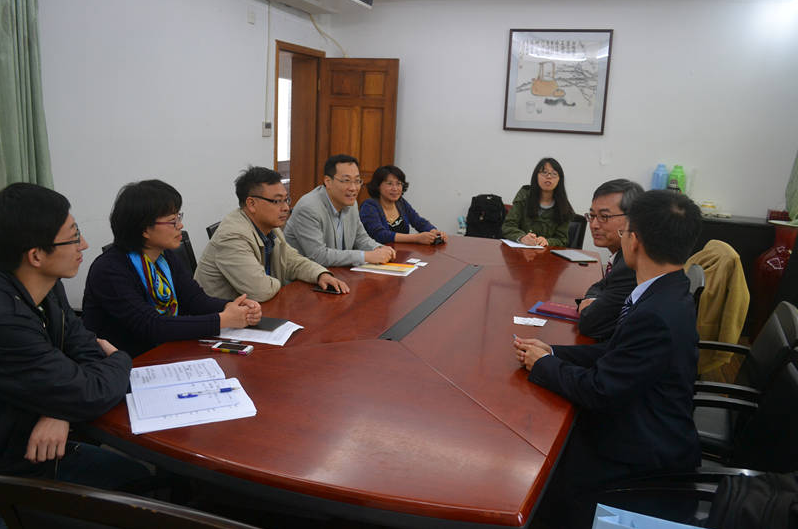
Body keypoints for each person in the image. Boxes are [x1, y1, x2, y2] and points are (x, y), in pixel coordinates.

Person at [514, 190, 702, 529]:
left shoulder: (656, 313)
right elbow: (615, 352)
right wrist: (553, 352)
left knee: (535, 476)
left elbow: (599, 390)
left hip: (640, 458)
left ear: (634, 241)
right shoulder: (668, 290)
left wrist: (544, 366)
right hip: (647, 423)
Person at [0, 183, 149, 490]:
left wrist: (60, 408)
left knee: (139, 475)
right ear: (36, 256)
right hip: (17, 468)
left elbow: (84, 347)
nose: (84, 244)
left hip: (43, 439)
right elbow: (88, 392)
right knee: (140, 483)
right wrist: (120, 359)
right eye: (73, 236)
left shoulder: (47, 286)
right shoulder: (8, 320)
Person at [83, 180, 261, 358]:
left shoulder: (164, 256)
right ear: (144, 229)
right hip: (128, 362)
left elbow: (195, 300)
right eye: (172, 221)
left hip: (167, 351)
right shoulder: (109, 270)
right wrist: (223, 319)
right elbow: (152, 325)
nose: (180, 225)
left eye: (178, 217)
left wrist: (232, 307)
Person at [195, 166, 349, 301]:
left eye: (286, 200)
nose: (286, 208)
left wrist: (321, 274)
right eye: (277, 201)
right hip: (220, 318)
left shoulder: (270, 227)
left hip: (255, 311)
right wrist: (279, 281)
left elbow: (292, 261)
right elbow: (260, 291)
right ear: (251, 204)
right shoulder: (232, 237)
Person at [284, 154, 396, 267]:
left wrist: (378, 248)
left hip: (336, 272)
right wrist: (365, 256)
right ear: (328, 181)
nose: (353, 188)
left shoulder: (351, 204)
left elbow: (360, 238)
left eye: (357, 181)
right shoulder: (308, 208)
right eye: (346, 180)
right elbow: (319, 256)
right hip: (303, 275)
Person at [577, 179, 644, 340]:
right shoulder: (620, 256)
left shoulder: (631, 265)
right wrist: (592, 299)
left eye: (604, 217)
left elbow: (590, 323)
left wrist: (589, 306)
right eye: (592, 216)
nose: (594, 225)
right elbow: (600, 285)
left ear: (632, 219)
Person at [359, 165, 448, 245]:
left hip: (402, 253)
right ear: (378, 186)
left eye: (398, 184)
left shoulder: (401, 203)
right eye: (389, 184)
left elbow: (419, 221)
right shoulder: (369, 206)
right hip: (378, 254)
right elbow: (380, 235)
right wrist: (416, 238)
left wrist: (434, 232)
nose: (395, 188)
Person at [501, 157, 574, 246]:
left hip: (545, 253)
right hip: (519, 251)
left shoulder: (563, 206)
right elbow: (508, 226)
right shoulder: (524, 195)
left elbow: (562, 240)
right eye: (544, 172)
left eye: (554, 174)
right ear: (536, 176)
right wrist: (522, 238)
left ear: (559, 179)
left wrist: (548, 241)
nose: (549, 176)